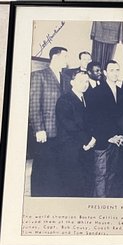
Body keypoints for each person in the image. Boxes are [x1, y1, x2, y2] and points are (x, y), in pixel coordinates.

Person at [29, 46, 68, 196]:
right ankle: (38, 197)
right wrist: (39, 129)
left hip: (62, 132)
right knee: (42, 166)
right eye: (65, 57)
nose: (67, 60)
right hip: (46, 131)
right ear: (55, 57)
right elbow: (34, 104)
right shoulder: (39, 75)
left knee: (56, 167)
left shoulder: (65, 78)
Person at [87, 60, 123, 197]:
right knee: (100, 175)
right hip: (103, 141)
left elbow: (122, 117)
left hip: (117, 141)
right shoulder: (95, 92)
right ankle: (99, 204)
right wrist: (109, 137)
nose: (115, 73)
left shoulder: (121, 91)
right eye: (112, 70)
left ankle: (108, 200)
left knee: (112, 173)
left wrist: (119, 135)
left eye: (117, 70)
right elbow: (94, 119)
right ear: (105, 73)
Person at [55, 71, 96, 197]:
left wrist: (93, 139)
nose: (84, 84)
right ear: (72, 82)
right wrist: (88, 140)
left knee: (86, 181)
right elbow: (69, 125)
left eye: (86, 81)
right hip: (71, 148)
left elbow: (90, 122)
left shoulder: (87, 98)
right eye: (81, 81)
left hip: (86, 147)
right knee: (73, 185)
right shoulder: (64, 100)